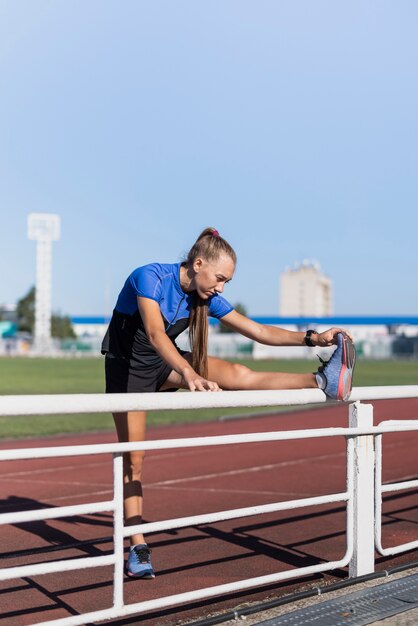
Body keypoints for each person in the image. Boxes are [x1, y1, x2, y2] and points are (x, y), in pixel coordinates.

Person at [101, 227, 356, 578]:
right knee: (136, 459)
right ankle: (137, 545)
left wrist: (314, 338)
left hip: (165, 362)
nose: (221, 288)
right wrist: (189, 373)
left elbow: (258, 331)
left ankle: (321, 380)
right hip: (128, 370)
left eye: (226, 282)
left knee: (238, 373)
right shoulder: (150, 277)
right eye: (220, 279)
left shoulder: (204, 295)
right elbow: (157, 334)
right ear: (198, 263)